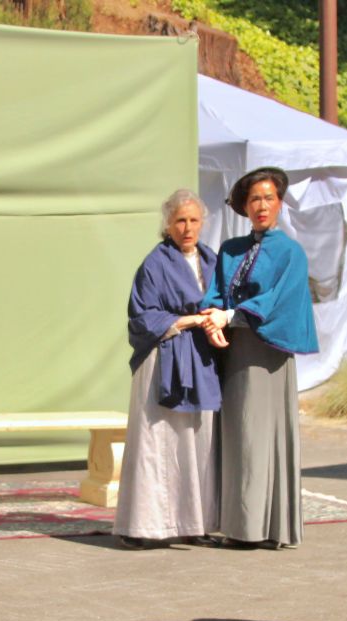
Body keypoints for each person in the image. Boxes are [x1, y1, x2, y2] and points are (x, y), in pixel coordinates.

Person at [199, 167, 318, 548]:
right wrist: (212, 320)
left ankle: (256, 529)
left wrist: (230, 316)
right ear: (245, 206)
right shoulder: (231, 249)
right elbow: (216, 291)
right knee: (236, 435)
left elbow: (275, 301)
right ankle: (236, 524)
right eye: (254, 199)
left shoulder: (290, 253)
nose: (261, 206)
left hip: (267, 354)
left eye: (268, 198)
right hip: (231, 352)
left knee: (259, 435)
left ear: (279, 203)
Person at [112, 189, 221, 549]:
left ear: (202, 223)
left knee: (198, 443)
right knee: (156, 444)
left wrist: (214, 320)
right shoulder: (155, 264)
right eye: (180, 221)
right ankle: (141, 526)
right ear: (168, 225)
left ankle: (196, 523)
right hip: (163, 360)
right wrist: (189, 320)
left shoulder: (211, 260)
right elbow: (142, 316)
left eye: (193, 220)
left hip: (201, 360)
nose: (187, 228)